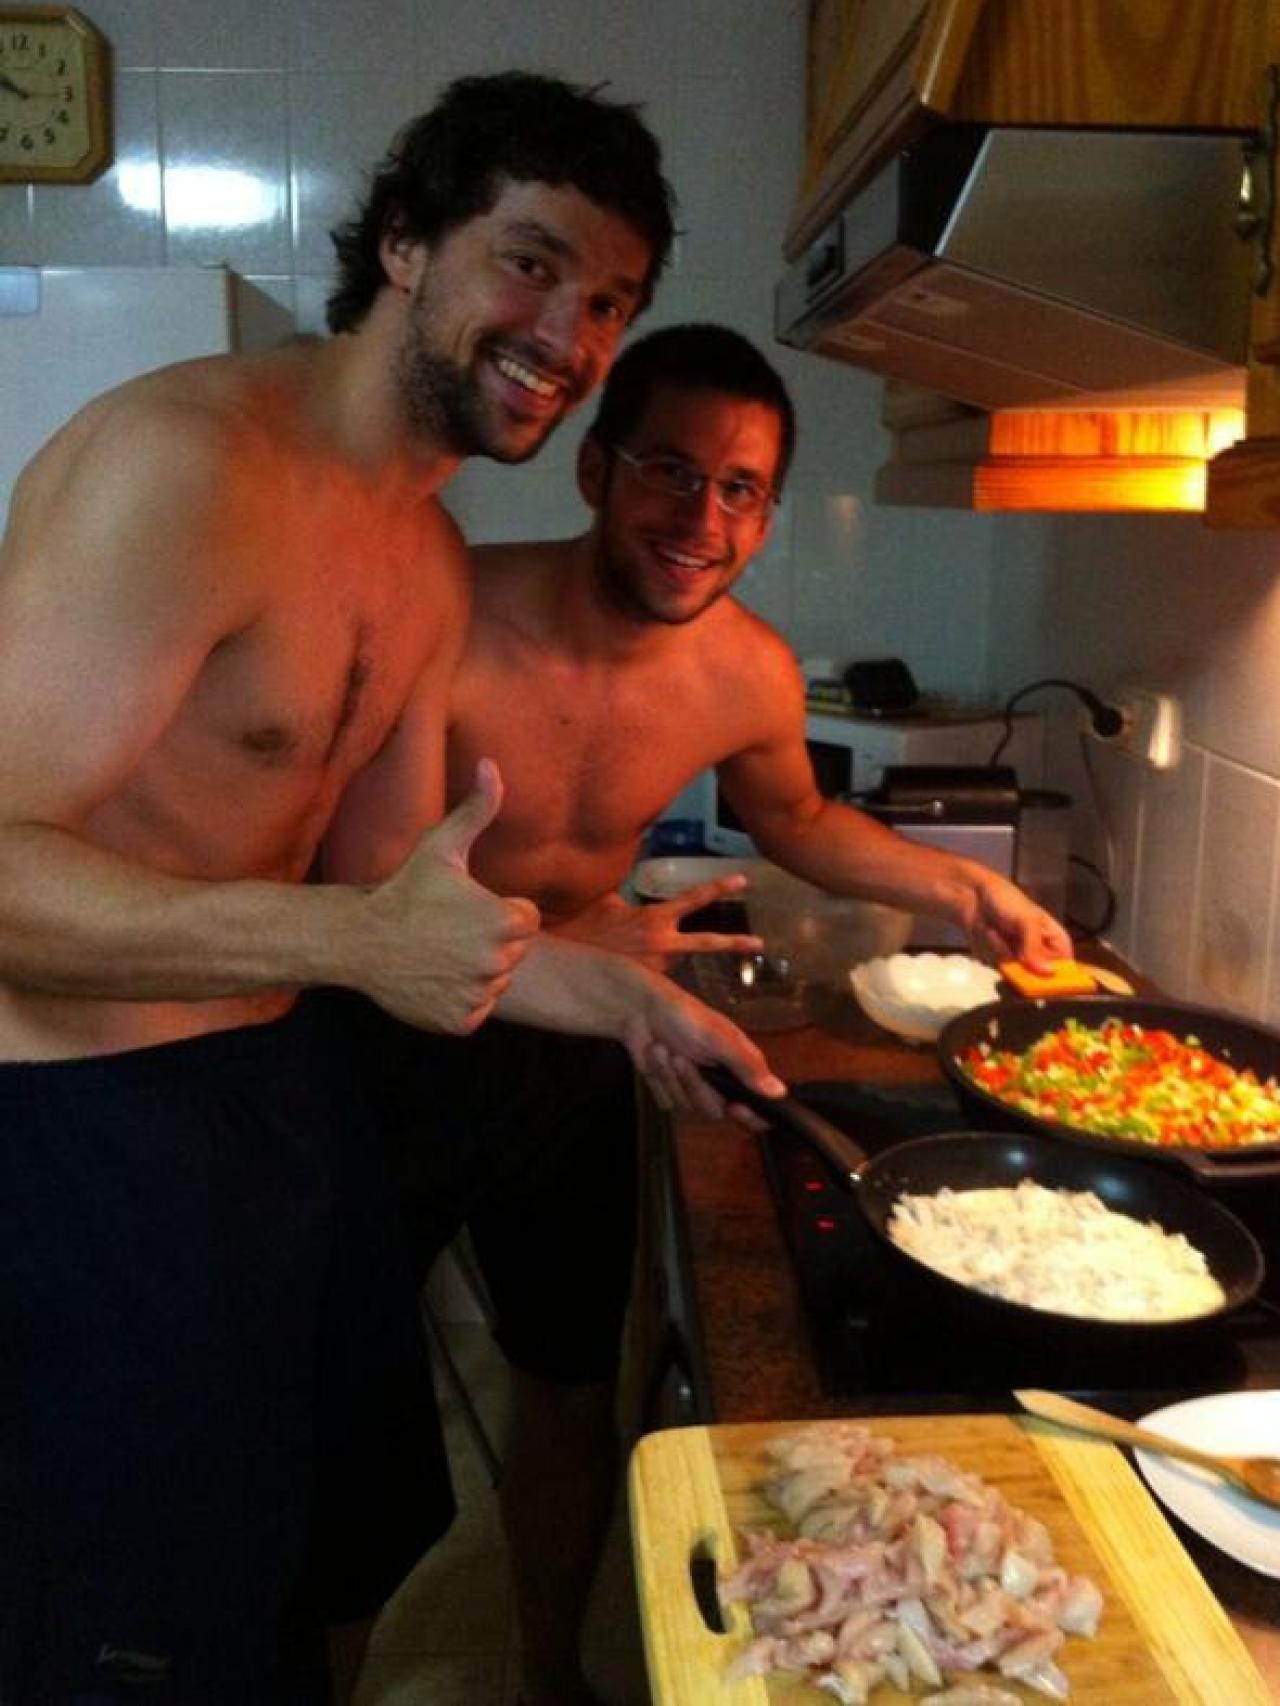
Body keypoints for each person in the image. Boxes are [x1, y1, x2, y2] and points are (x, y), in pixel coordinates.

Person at [0, 83, 782, 1705]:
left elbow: (397, 907)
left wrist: (634, 996)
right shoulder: (186, 465)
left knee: (319, 1561)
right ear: (408, 244)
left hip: (277, 1109)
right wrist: (353, 939)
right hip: (88, 1135)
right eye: (533, 265)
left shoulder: (422, 558)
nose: (569, 334)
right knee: (133, 1624)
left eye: (610, 303)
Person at [371, 323, 1074, 1705]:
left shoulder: (745, 670)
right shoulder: (443, 613)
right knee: (330, 1399)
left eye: (741, 488)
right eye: (671, 472)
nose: (703, 518)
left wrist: (955, 889)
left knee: (567, 1389)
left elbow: (798, 816)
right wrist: (582, 936)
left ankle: (543, 1671)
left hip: (570, 1059)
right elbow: (360, 870)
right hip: (387, 1044)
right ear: (594, 470)